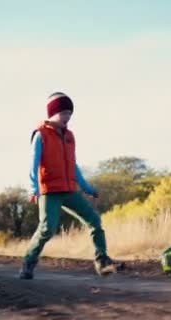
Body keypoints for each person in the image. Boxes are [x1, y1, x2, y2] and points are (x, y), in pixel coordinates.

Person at [19, 92, 122, 279]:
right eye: (64, 113)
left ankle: (102, 261)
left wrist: (87, 188)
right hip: (50, 192)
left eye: (70, 114)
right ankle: (28, 262)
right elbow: (32, 164)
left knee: (94, 221)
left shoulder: (69, 137)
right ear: (53, 113)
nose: (68, 117)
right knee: (47, 229)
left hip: (69, 190)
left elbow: (73, 165)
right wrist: (34, 188)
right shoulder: (41, 135)